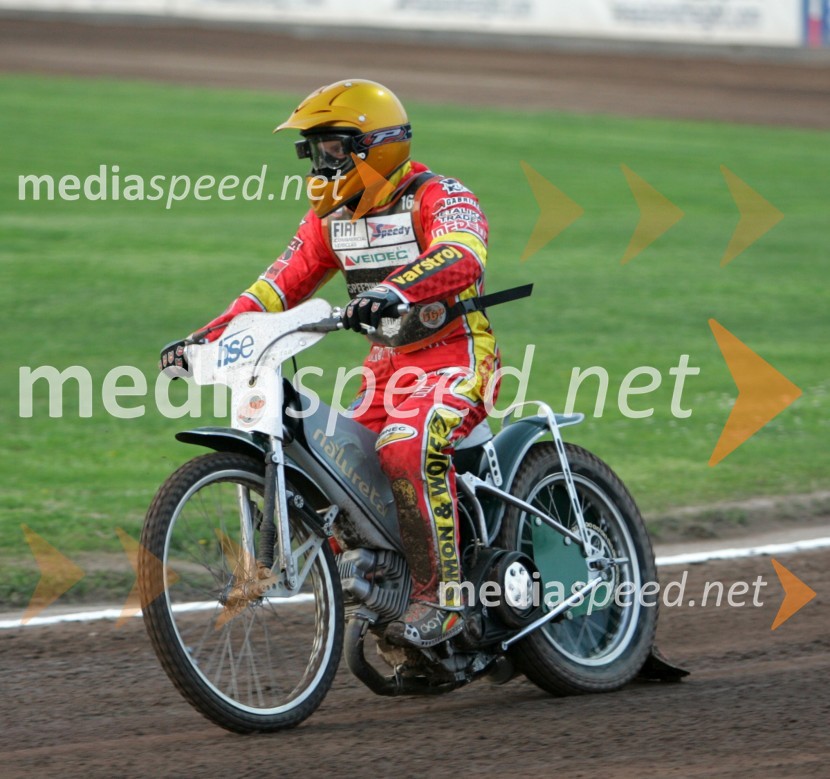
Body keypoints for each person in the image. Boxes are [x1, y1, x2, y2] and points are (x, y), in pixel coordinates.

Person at [160, 79, 500, 648]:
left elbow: (464, 254)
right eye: (316, 150)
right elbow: (275, 288)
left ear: (377, 146)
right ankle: (380, 587)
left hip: (458, 355)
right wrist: (204, 337)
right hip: (386, 370)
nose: (323, 161)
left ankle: (440, 601)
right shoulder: (329, 218)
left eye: (335, 148)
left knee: (403, 448)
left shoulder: (438, 194)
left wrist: (397, 292)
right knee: (332, 468)